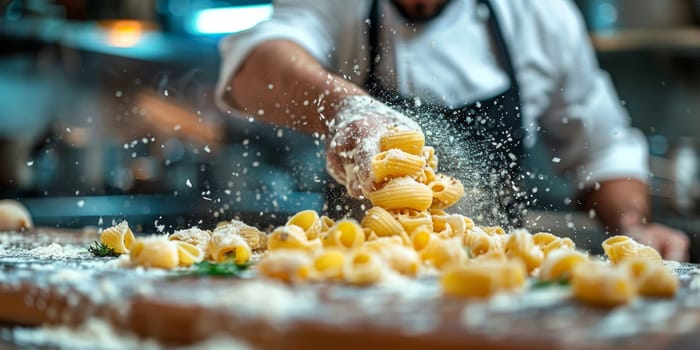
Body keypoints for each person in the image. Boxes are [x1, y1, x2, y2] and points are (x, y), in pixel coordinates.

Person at [214, 0, 690, 261]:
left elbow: (603, 149)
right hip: (359, 274)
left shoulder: (540, 15)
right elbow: (256, 62)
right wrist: (346, 109)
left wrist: (631, 225)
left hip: (498, 281)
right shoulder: (339, 7)